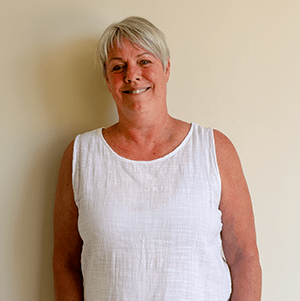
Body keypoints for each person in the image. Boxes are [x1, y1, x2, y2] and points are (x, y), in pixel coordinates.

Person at [53, 16, 262, 301]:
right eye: (118, 67)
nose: (132, 75)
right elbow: (65, 262)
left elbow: (244, 257)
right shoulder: (80, 156)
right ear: (107, 79)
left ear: (166, 68)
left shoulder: (213, 149)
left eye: (144, 61)